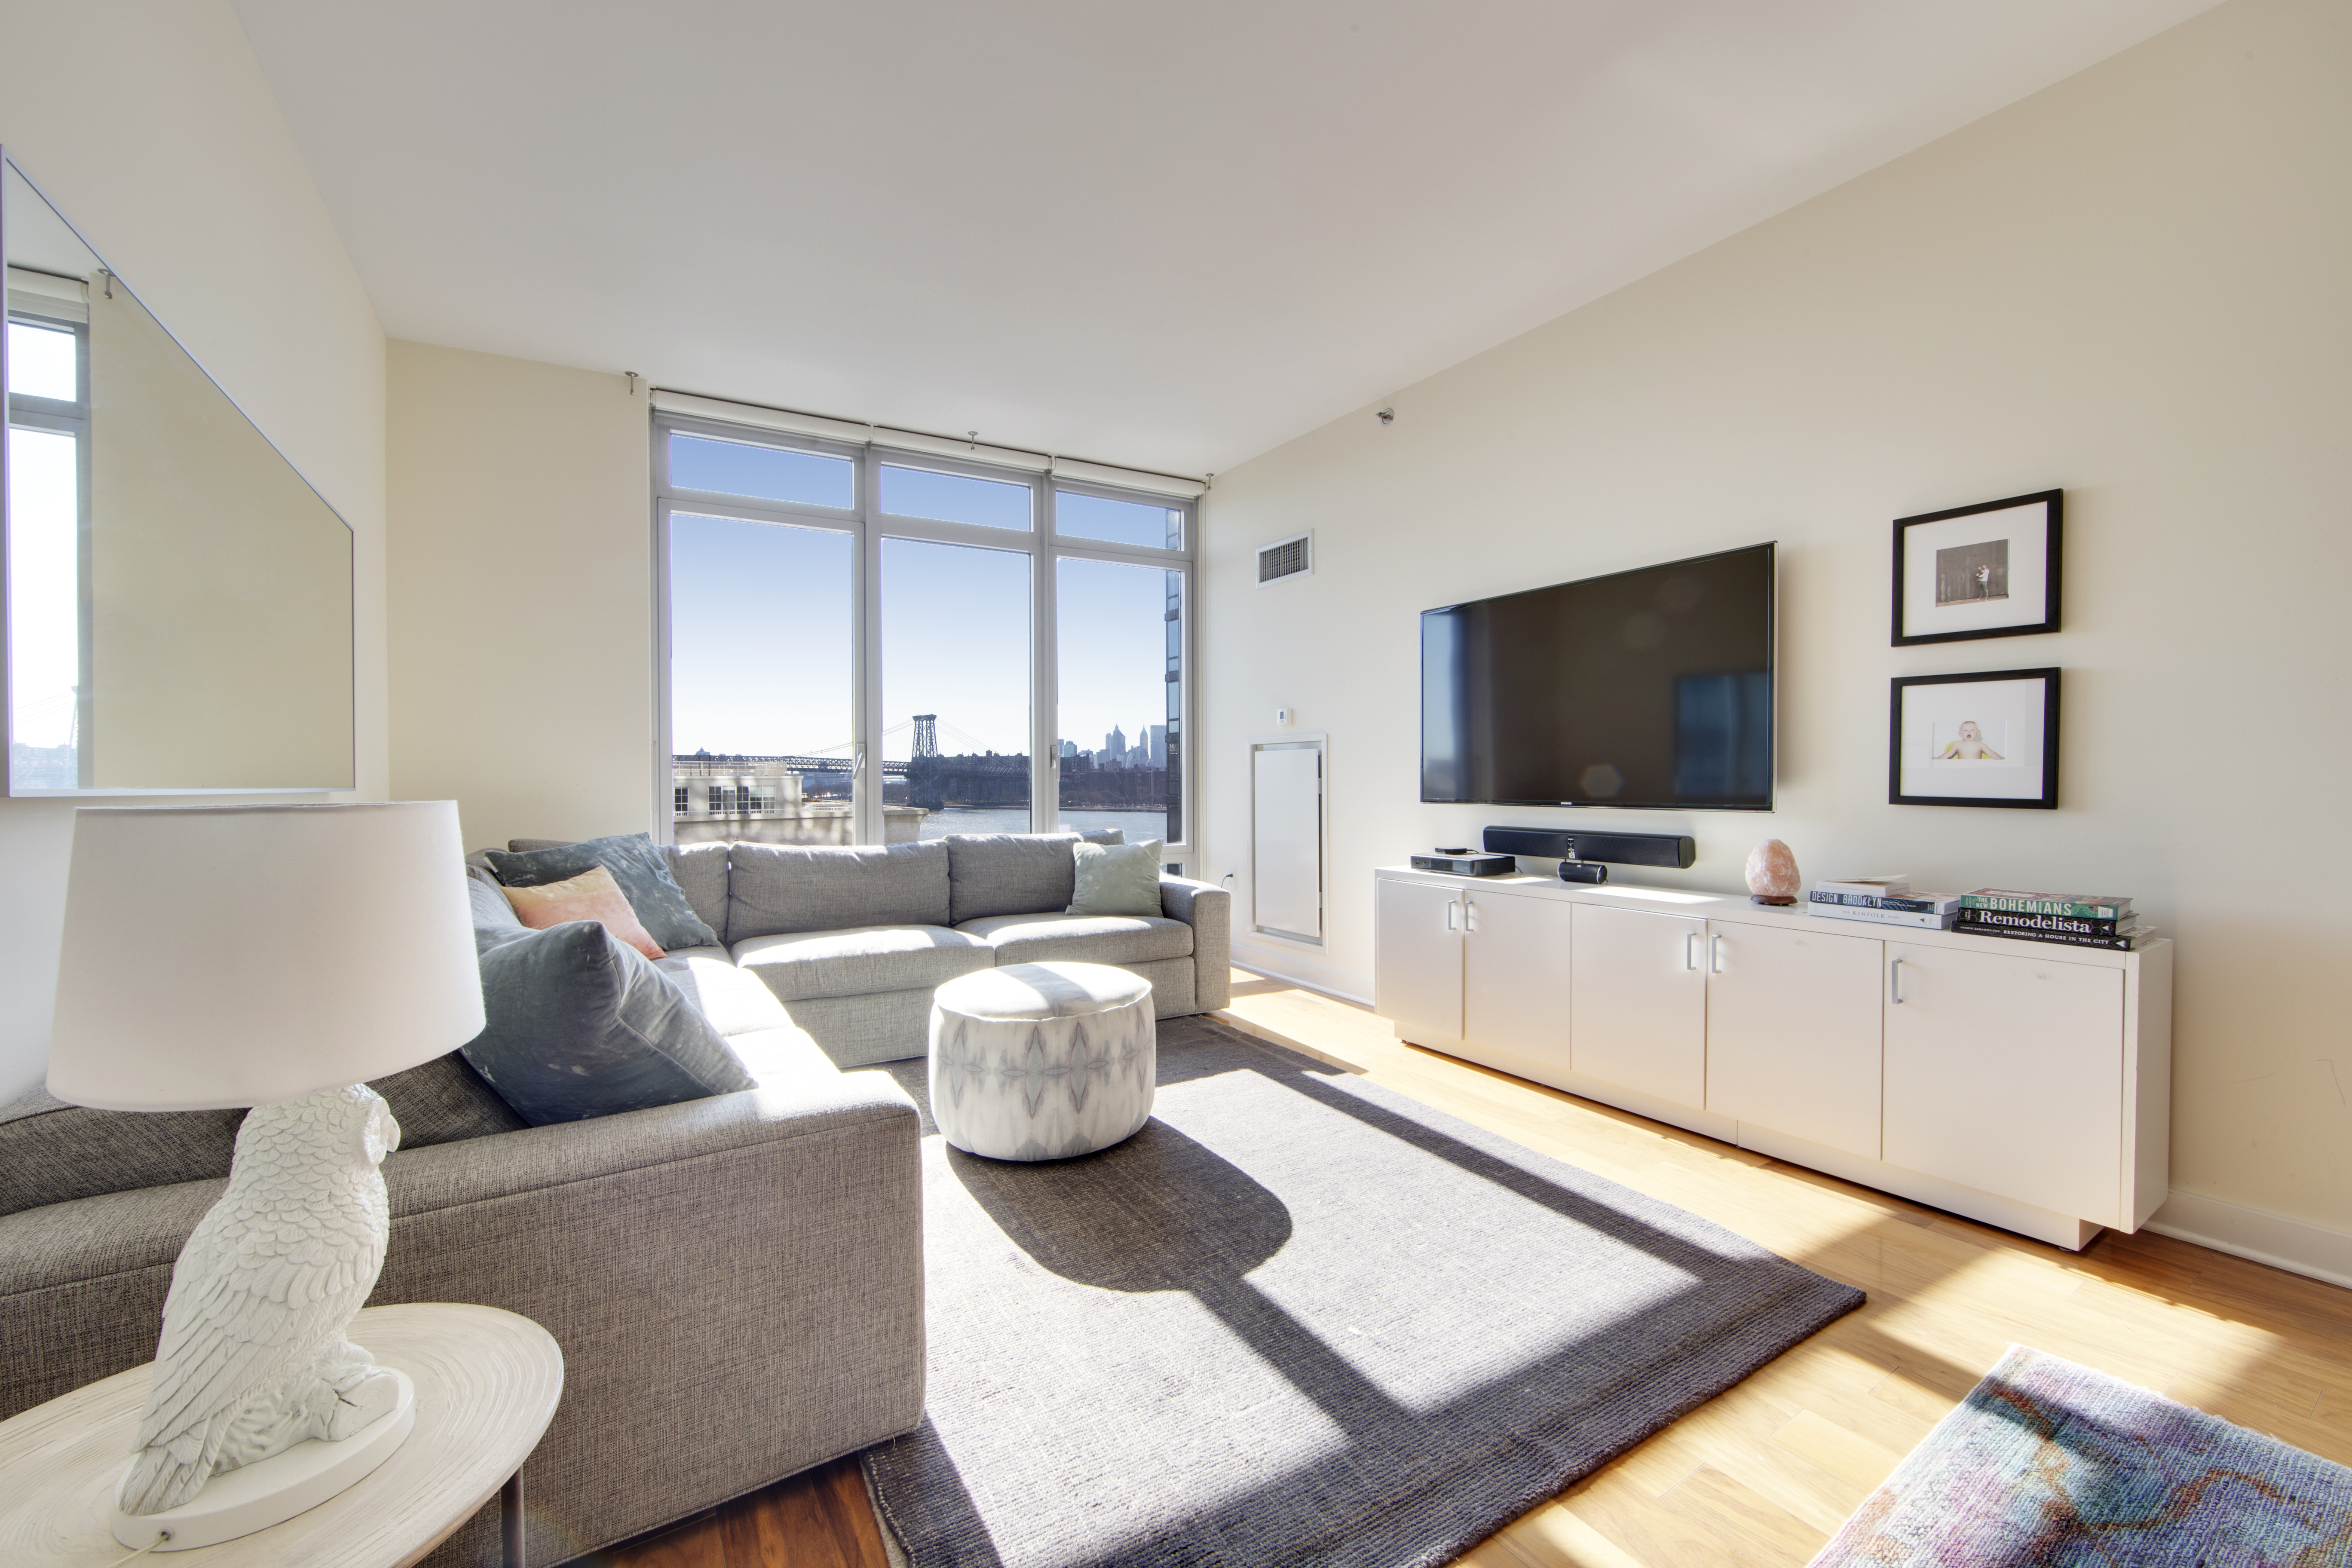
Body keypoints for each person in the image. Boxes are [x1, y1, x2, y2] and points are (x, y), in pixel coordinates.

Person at [1935, 720, 2003, 760]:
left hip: (1976, 767)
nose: (1969, 732)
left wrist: (2000, 758)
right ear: (1960, 734)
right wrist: (1939, 759)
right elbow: (1949, 754)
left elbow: (1991, 753)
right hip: (1962, 767)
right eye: (1965, 730)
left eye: (1972, 730)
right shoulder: (1958, 745)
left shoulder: (1981, 745)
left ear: (1978, 733)